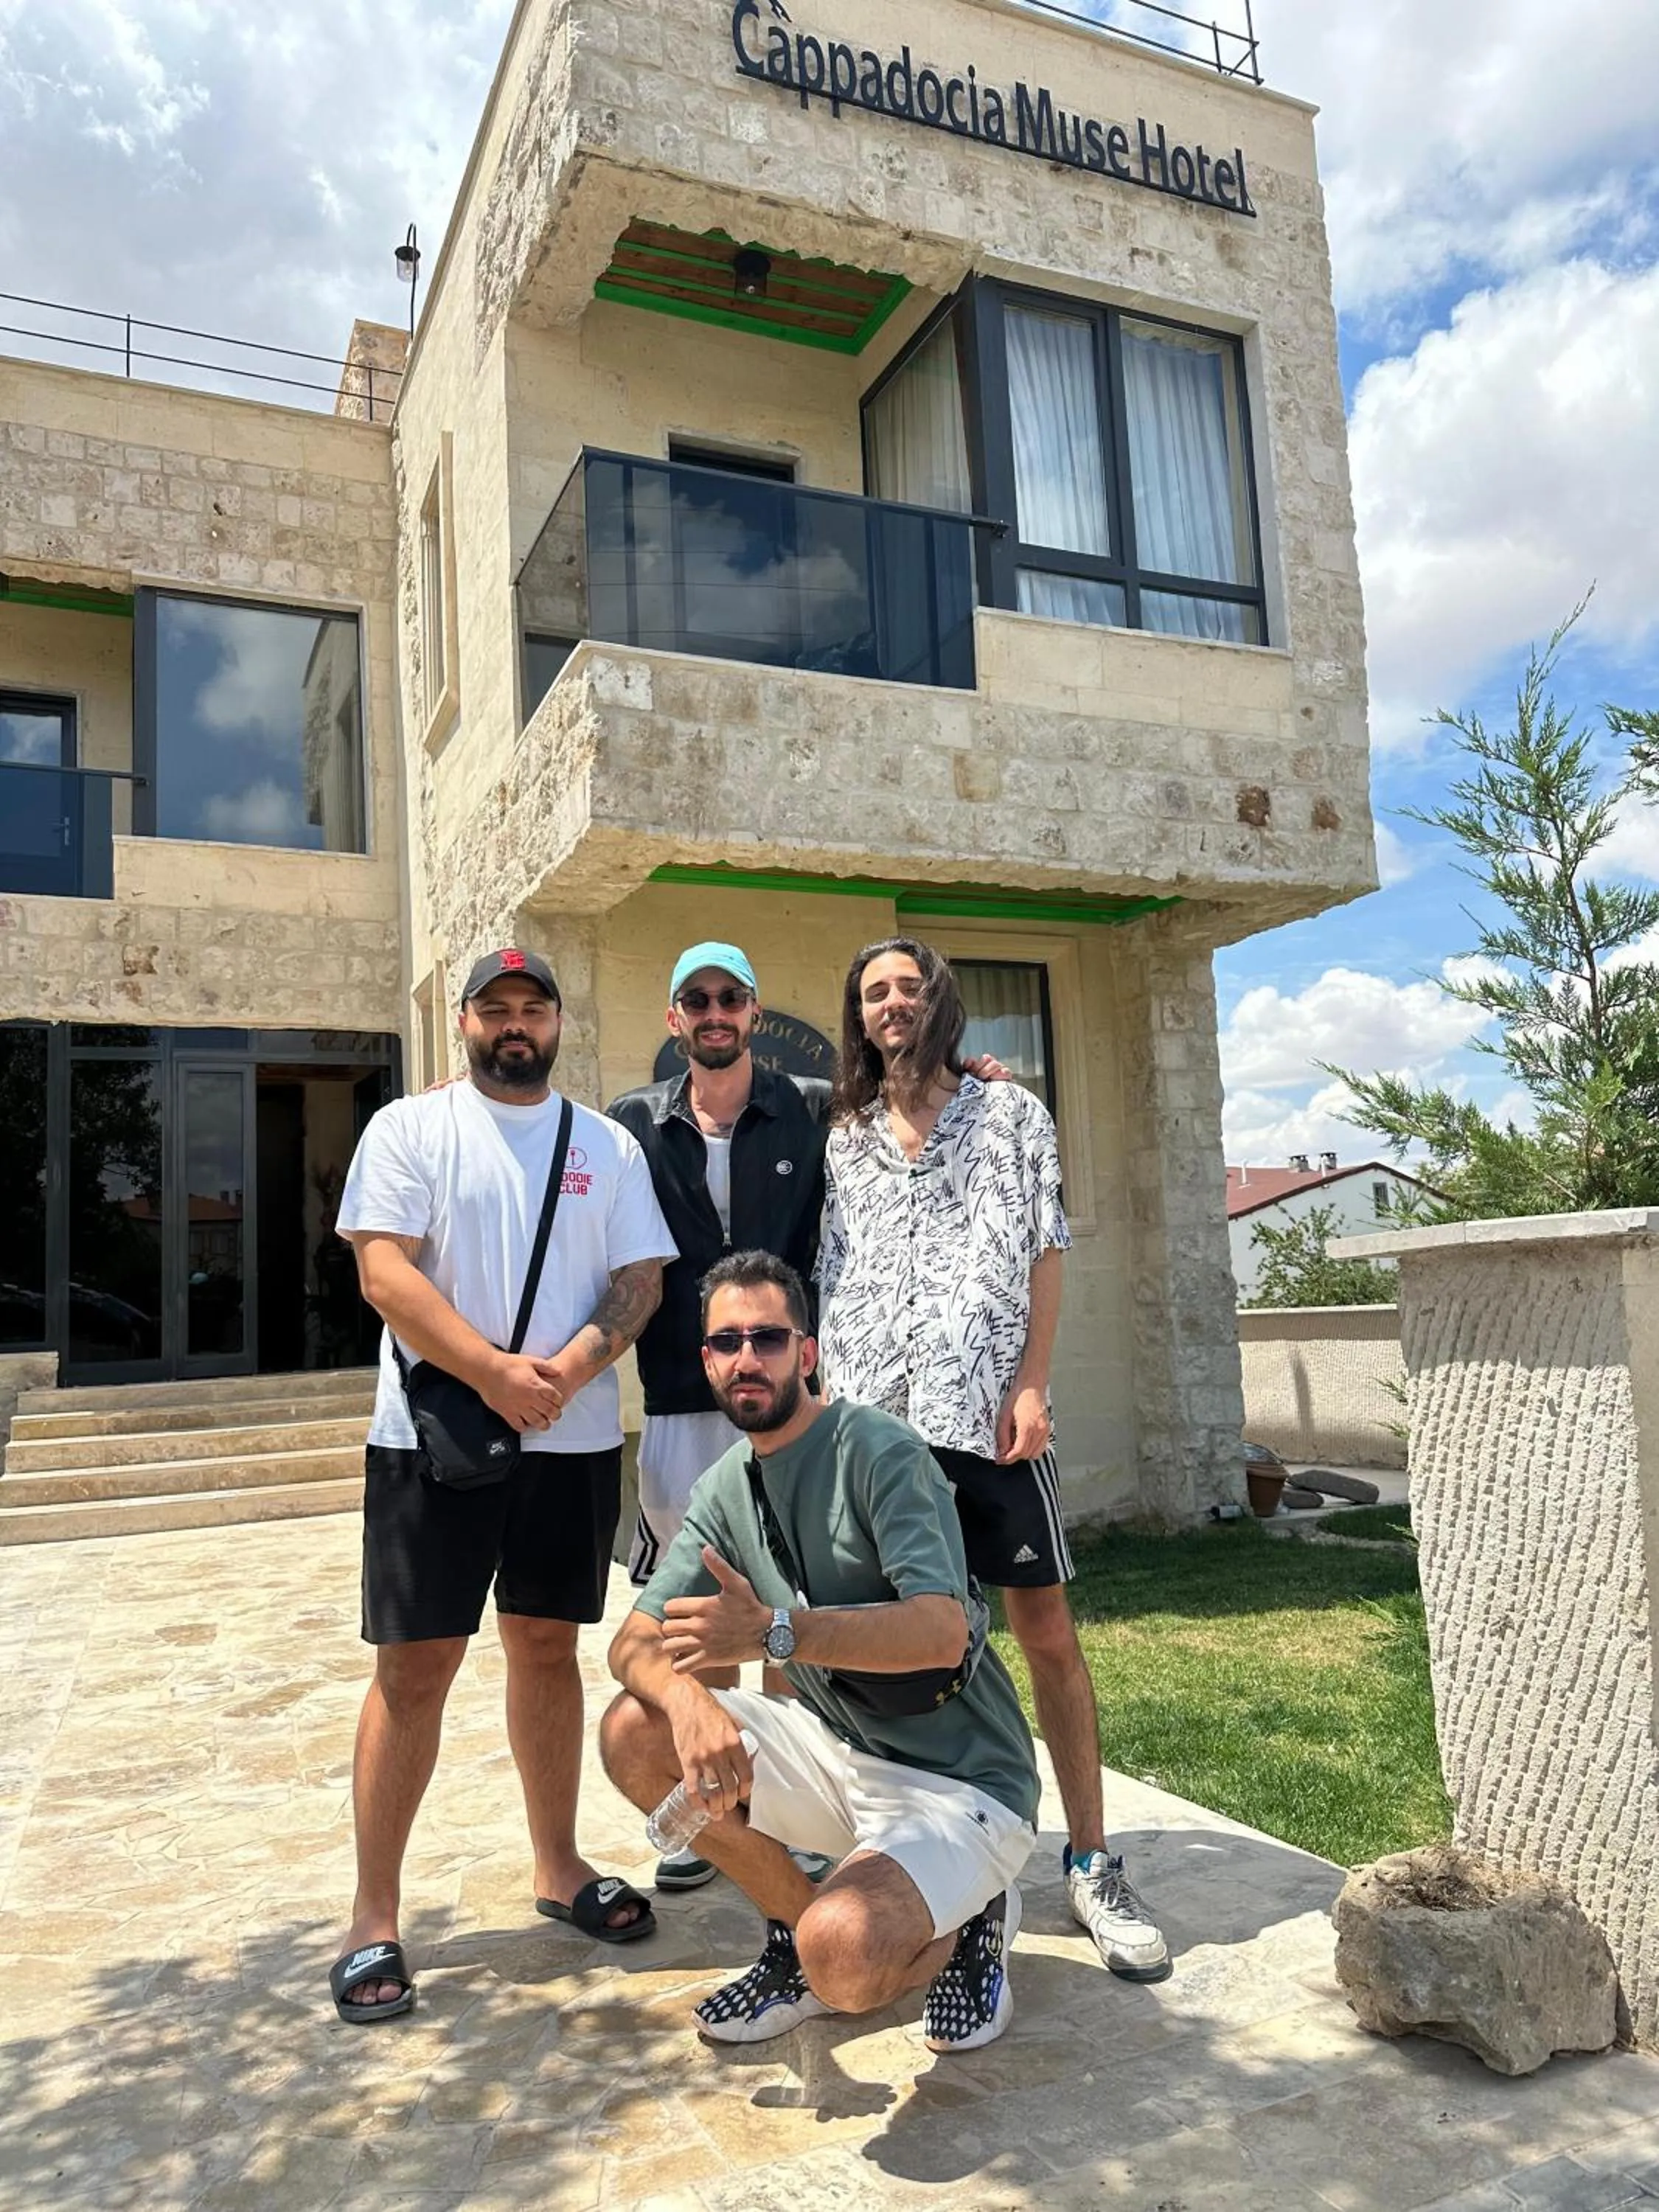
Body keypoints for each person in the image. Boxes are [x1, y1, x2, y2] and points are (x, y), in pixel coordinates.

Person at [327, 947, 679, 2025]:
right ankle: (372, 1914)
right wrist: (491, 1373)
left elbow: (639, 1280)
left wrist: (566, 1374)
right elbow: (381, 1268)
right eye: (494, 1010)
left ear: (557, 1022)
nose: (513, 1025)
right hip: (430, 1443)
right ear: (467, 1025)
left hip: (567, 1446)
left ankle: (559, 1866)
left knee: (543, 1646)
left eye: (531, 1008)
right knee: (415, 1667)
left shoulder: (606, 1146)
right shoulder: (409, 1130)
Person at [817, 936, 1169, 1982]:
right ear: (857, 1012)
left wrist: (1030, 1381)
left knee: (1045, 1632)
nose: (892, 1004)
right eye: (873, 990)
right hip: (878, 1432)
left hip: (988, 1419)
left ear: (941, 1002)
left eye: (908, 987)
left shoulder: (1011, 1113)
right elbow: (828, 1266)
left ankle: (1093, 1860)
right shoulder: (839, 1133)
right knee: (914, 1652)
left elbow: (1043, 1244)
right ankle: (949, 1872)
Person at [602, 1251, 1040, 2053]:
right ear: (705, 1362)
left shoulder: (877, 1451)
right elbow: (633, 1642)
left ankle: (974, 1915)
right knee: (633, 1728)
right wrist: (689, 1701)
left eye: (767, 1338)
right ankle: (800, 1937)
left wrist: (778, 1632)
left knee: (848, 1965)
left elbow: (941, 1629)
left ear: (806, 1354)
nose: (745, 1359)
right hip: (840, 1753)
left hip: (961, 1781)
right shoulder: (726, 1488)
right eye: (725, 1342)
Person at [605, 942, 830, 1890]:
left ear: (752, 1007)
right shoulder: (632, 1125)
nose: (713, 1012)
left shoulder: (814, 1107)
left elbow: (913, 1090)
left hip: (788, 1400)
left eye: (729, 997)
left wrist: (974, 1070)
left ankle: (788, 1809)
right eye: (695, 999)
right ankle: (711, 1803)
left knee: (787, 1609)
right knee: (696, 1623)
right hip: (681, 1402)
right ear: (674, 1019)